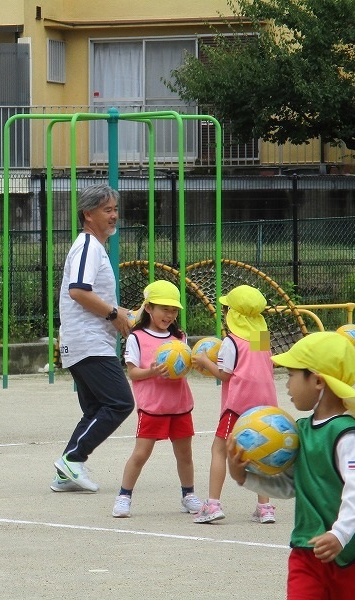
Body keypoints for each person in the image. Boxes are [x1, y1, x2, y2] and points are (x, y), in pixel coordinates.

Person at [227, 332, 355, 598]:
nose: (287, 385)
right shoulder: (300, 431)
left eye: (291, 375)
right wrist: (243, 477)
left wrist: (339, 533)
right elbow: (291, 485)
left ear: (317, 380)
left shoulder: (347, 434)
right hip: (307, 548)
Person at [51, 183, 135, 493]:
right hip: (88, 342)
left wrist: (123, 313)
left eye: (115, 209)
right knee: (119, 402)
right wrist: (114, 316)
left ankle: (66, 472)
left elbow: (90, 295)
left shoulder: (92, 246)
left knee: (96, 408)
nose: (114, 215)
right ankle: (74, 458)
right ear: (88, 214)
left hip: (84, 340)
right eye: (107, 210)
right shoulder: (88, 246)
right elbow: (78, 291)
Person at [111, 280, 203, 518]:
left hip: (180, 405)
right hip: (152, 407)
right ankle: (124, 497)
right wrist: (152, 372)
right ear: (149, 308)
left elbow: (183, 366)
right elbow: (132, 373)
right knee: (141, 454)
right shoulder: (137, 338)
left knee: (185, 454)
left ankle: (188, 495)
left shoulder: (179, 337)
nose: (169, 315)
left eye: (174, 310)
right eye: (164, 309)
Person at [192, 284, 278, 523]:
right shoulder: (262, 336)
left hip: (238, 406)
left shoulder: (232, 341)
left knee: (219, 450)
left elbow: (224, 374)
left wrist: (203, 362)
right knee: (260, 454)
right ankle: (265, 507)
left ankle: (213, 504)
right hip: (266, 405)